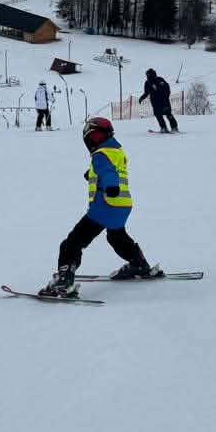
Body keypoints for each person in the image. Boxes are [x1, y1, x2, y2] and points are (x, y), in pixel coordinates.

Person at [40, 116, 161, 298]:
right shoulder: (116, 152)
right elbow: (112, 169)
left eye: (93, 137)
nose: (91, 141)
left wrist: (111, 185)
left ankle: (63, 281)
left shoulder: (100, 155)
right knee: (117, 237)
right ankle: (139, 264)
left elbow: (108, 172)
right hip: (122, 206)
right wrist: (91, 174)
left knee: (72, 243)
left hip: (104, 207)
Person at [139, 68, 179, 132]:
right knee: (158, 115)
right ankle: (163, 128)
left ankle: (174, 127)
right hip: (155, 103)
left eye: (148, 74)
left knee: (168, 114)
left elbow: (167, 88)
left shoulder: (160, 80)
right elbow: (146, 92)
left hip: (164, 101)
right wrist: (141, 98)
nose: (148, 76)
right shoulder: (147, 83)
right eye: (147, 75)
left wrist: (166, 96)